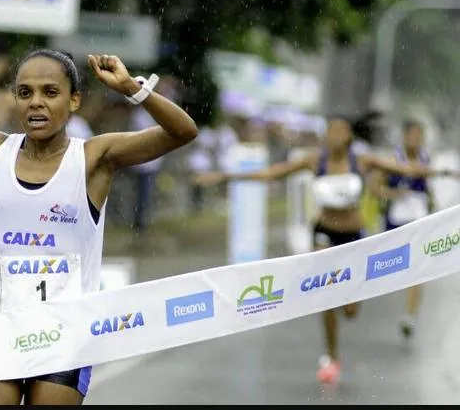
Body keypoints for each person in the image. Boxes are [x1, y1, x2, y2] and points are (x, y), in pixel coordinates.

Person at [0, 41, 198, 405]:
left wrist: (131, 88)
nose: (36, 102)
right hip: (0, 325)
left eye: (50, 93)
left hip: (66, 331)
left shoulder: (95, 157)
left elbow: (182, 132)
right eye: (24, 93)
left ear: (73, 101)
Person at [193, 116, 452, 386]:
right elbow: (273, 173)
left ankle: (344, 301)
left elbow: (407, 169)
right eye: (331, 131)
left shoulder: (361, 162)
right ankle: (331, 356)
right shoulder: (315, 161)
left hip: (353, 237)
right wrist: (226, 176)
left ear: (349, 137)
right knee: (326, 296)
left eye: (341, 131)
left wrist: (446, 173)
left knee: (350, 310)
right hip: (324, 233)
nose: (335, 136)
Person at [367, 119, 433, 340]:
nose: (415, 140)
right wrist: (395, 194)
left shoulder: (426, 159)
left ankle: (410, 315)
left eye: (419, 136)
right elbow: (375, 188)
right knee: (395, 266)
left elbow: (430, 188)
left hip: (419, 219)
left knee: (418, 267)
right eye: (412, 136)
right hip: (396, 220)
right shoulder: (392, 160)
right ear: (404, 137)